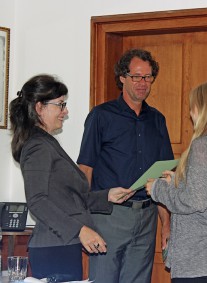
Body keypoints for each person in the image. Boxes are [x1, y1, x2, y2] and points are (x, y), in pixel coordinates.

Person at [9, 74, 132, 281]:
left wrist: (107, 196)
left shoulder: (47, 143)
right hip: (54, 247)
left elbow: (68, 199)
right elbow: (37, 201)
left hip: (63, 245)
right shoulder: (38, 146)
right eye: (60, 105)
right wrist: (80, 230)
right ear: (39, 107)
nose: (65, 112)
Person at [77, 48, 174, 283]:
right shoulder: (101, 116)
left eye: (148, 77)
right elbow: (85, 170)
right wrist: (82, 221)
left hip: (147, 216)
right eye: (136, 76)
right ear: (122, 78)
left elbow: (164, 175)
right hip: (109, 217)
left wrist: (167, 225)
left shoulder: (158, 120)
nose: (143, 83)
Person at [146, 80, 207, 283]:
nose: (190, 113)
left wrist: (158, 189)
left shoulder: (202, 146)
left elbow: (195, 201)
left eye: (193, 106)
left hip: (198, 263)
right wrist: (180, 182)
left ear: (205, 109)